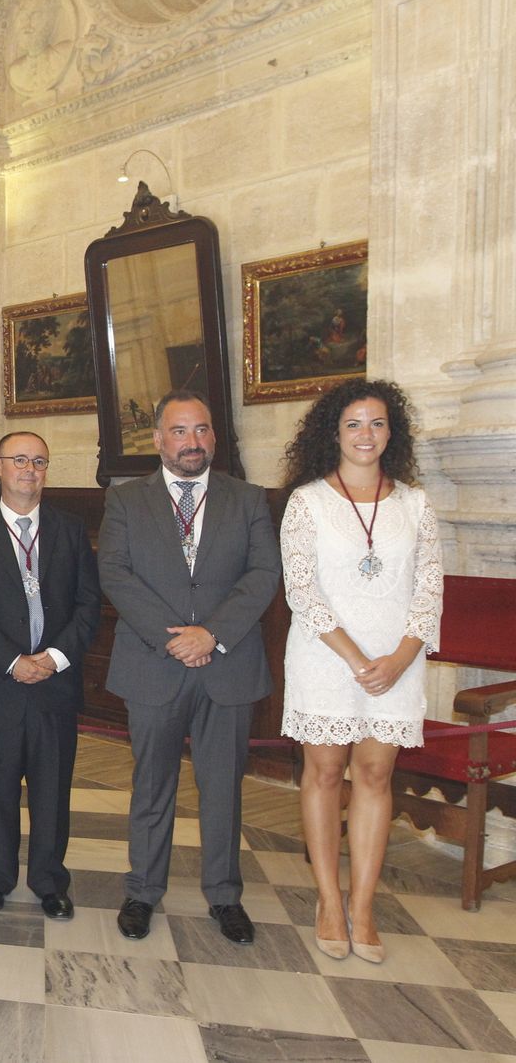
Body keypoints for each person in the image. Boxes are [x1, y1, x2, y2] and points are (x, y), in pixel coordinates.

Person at [99, 390, 281, 945]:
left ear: (213, 438)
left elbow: (262, 574)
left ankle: (224, 895)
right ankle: (142, 891)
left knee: (222, 787)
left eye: (201, 430)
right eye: (179, 431)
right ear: (157, 439)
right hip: (155, 664)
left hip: (227, 666)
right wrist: (175, 638)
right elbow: (115, 572)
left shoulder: (246, 498)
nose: (192, 442)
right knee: (152, 784)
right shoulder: (127, 501)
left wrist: (213, 634)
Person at [279, 379, 442, 964]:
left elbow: (428, 591)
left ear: (391, 432)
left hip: (397, 663)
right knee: (324, 775)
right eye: (353, 424)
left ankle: (364, 906)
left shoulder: (415, 504)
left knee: (374, 776)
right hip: (327, 658)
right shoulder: (307, 503)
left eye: (376, 423)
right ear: (334, 432)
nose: (365, 434)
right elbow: (303, 591)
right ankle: (328, 900)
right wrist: (354, 658)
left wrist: (399, 659)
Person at [0, 432, 100, 919]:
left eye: (40, 461)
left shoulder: (70, 529)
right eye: (20, 460)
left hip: (54, 686)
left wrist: (54, 658)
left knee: (52, 789)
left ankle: (49, 880)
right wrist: (13, 662)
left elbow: (87, 605)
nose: (30, 469)